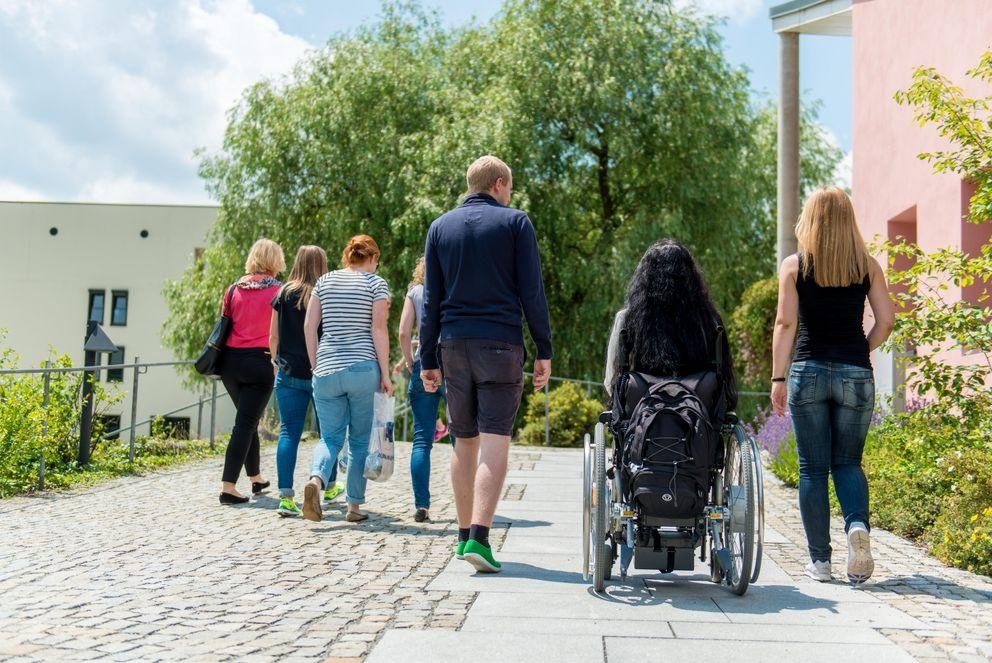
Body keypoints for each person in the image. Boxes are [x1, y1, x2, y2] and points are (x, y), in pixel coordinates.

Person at [420, 155, 553, 573]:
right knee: (495, 439)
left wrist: (427, 356)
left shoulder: (440, 227)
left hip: (453, 345)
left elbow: (430, 300)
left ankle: (462, 539)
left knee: (463, 440)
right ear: (498, 183)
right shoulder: (516, 223)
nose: (510, 195)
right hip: (500, 344)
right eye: (509, 188)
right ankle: (479, 536)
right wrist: (543, 348)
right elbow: (532, 292)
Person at [770, 186, 894, 584]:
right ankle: (857, 528)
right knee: (848, 462)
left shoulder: (794, 266)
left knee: (812, 468)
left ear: (810, 220)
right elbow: (887, 321)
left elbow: (785, 324)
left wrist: (778, 378)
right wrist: (862, 348)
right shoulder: (868, 266)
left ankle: (820, 562)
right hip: (855, 373)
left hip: (807, 371)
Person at [301, 235, 393, 523]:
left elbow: (309, 326)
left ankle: (316, 481)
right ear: (373, 258)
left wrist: (317, 365)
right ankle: (353, 507)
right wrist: (386, 374)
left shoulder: (325, 281)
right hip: (363, 369)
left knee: (330, 437)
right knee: (359, 440)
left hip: (326, 370)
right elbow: (379, 330)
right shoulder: (376, 284)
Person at [603, 240, 737, 415]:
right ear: (691, 278)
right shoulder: (709, 320)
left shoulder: (627, 319)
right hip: (699, 410)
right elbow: (723, 376)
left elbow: (611, 379)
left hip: (643, 410)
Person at [269, 245, 344, 517]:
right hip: (321, 372)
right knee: (330, 433)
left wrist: (276, 361)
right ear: (322, 264)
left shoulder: (282, 293)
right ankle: (331, 485)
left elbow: (273, 336)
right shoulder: (326, 293)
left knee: (288, 433)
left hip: (289, 373)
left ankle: (285, 497)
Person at [218, 238, 284, 504]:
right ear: (274, 261)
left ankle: (256, 477)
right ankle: (228, 486)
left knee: (248, 418)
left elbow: (224, 324)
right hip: (260, 362)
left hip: (230, 364)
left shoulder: (234, 288)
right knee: (245, 423)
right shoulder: (280, 291)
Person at [394, 256, 454, 523]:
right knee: (461, 438)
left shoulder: (415, 292)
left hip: (424, 364)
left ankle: (422, 505)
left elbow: (403, 332)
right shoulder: (455, 289)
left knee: (422, 439)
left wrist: (409, 360)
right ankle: (469, 503)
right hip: (455, 366)